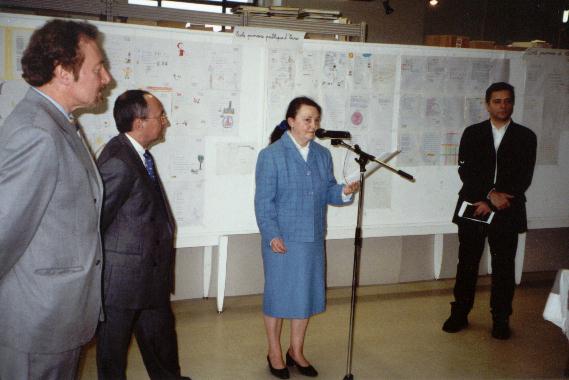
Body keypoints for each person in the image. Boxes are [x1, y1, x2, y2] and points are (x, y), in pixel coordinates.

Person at [0, 19, 112, 379]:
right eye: (97, 69)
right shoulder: (38, 132)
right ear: (64, 72)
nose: (106, 78)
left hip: (55, 317)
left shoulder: (57, 122)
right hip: (36, 322)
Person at [255, 97, 360, 379]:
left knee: (305, 296)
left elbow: (327, 191)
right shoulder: (271, 155)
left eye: (316, 120)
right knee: (278, 297)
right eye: (307, 120)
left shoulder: (322, 155)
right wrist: (272, 234)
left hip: (312, 238)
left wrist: (344, 192)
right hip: (282, 240)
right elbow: (263, 202)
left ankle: (296, 351)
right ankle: (275, 352)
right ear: (291, 121)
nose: (313, 126)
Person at [96, 90, 190, 380]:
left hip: (150, 276)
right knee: (113, 351)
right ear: (139, 122)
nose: (165, 121)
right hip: (122, 280)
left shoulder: (138, 155)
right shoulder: (118, 160)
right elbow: (96, 222)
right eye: (160, 115)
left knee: (161, 338)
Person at [442, 82, 537, 340]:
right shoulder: (472, 133)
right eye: (497, 101)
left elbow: (524, 175)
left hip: (507, 207)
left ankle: (500, 318)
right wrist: (487, 195)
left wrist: (495, 199)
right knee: (467, 263)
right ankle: (460, 313)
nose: (503, 106)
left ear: (512, 104)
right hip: (474, 205)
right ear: (487, 105)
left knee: (504, 266)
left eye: (507, 101)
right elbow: (466, 170)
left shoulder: (526, 136)